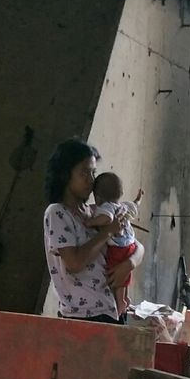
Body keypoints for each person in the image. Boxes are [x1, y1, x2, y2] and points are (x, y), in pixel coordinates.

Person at [42, 138, 144, 324]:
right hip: (83, 315)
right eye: (84, 173)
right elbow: (74, 263)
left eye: (93, 172)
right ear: (65, 175)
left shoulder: (94, 212)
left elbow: (137, 246)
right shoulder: (57, 213)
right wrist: (107, 233)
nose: (91, 180)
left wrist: (129, 263)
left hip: (110, 308)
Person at [85, 172, 143, 317]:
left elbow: (106, 218)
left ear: (97, 197)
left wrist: (91, 222)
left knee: (116, 274)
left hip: (118, 246)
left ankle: (121, 300)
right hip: (130, 244)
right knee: (125, 272)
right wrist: (138, 198)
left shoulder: (106, 207)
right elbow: (135, 205)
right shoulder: (125, 206)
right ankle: (125, 298)